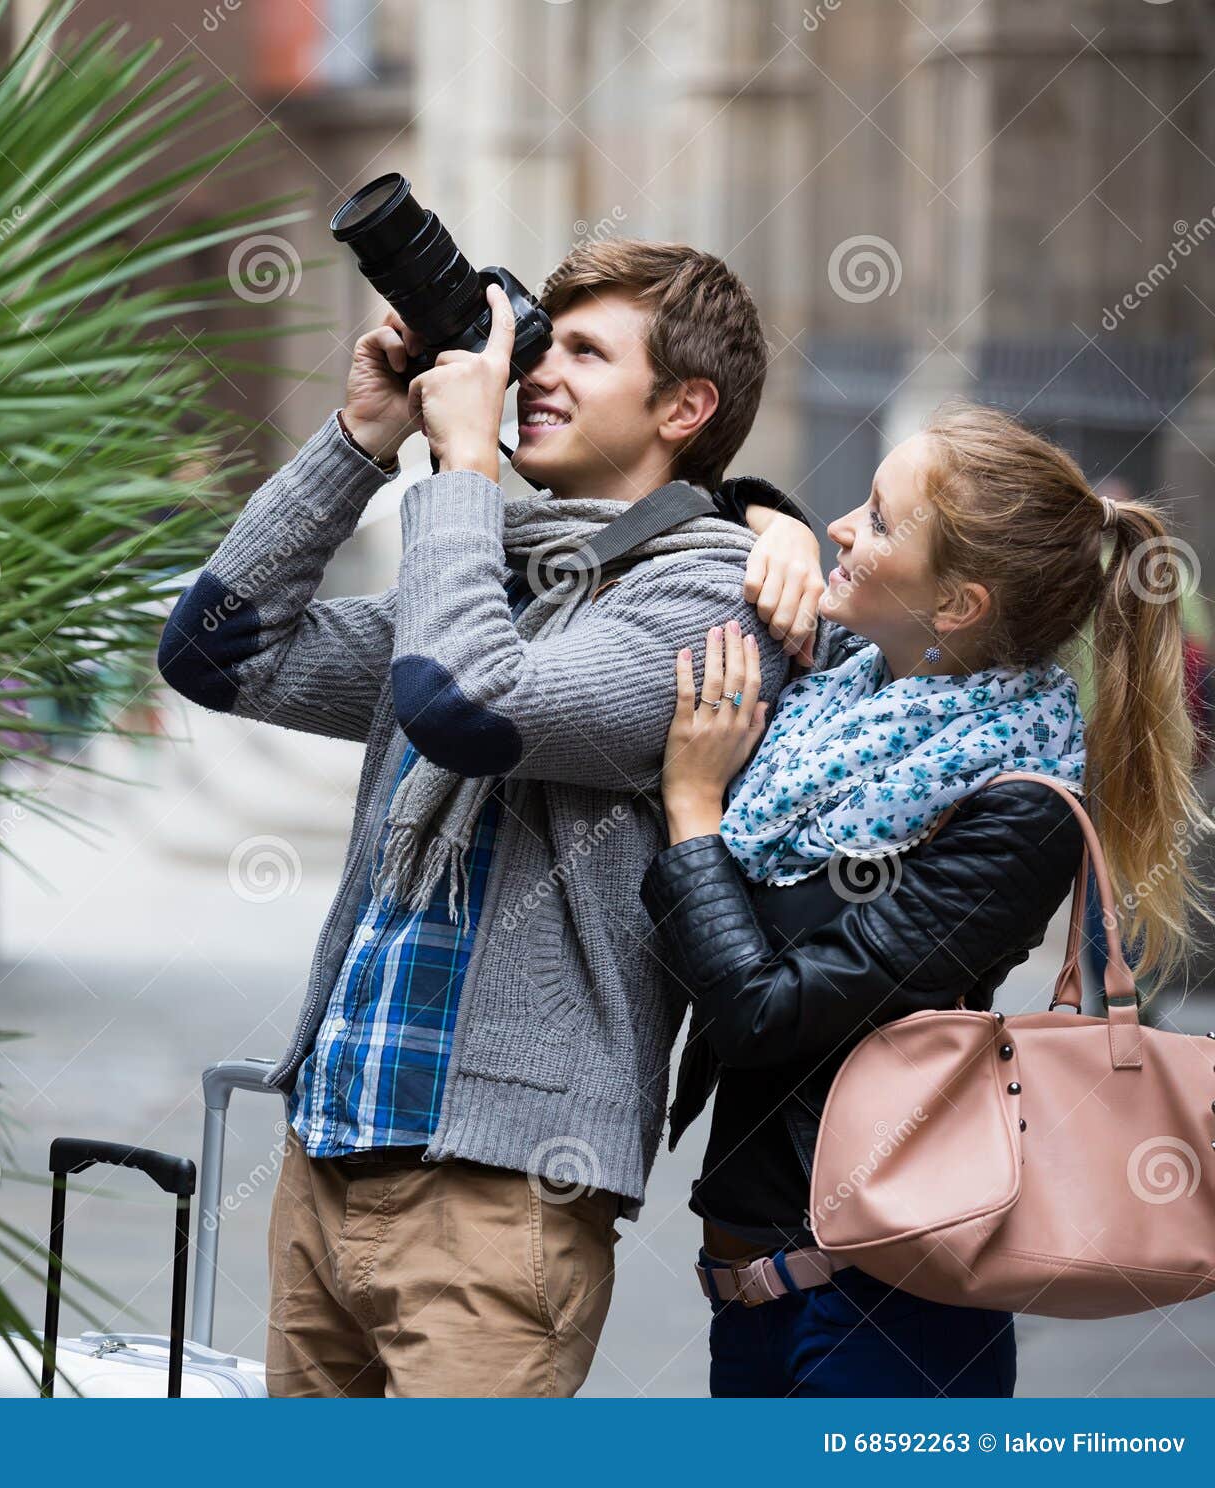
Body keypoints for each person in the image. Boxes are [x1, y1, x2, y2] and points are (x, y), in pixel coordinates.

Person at [158, 238, 825, 1396]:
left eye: (584, 351)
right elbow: (217, 655)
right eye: (539, 343)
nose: (534, 373)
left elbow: (469, 703)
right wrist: (362, 440)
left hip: (504, 1192)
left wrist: (459, 469)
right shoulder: (498, 573)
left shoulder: (710, 595)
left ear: (685, 405)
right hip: (332, 1151)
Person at [641, 401, 1208, 1397]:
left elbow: (763, 1009)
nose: (841, 529)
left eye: (881, 519)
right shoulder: (830, 708)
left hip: (884, 1319)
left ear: (956, 607)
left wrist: (692, 807)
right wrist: (763, 517)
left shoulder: (1011, 808)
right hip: (749, 1289)